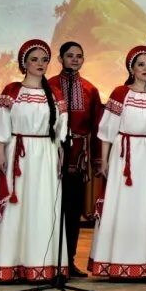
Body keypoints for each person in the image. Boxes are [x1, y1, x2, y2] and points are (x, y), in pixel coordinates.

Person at [0, 40, 68, 282]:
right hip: (17, 151)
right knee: (14, 206)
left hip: (46, 152)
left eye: (44, 60)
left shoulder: (55, 94)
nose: (40, 64)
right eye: (34, 59)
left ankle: (40, 264)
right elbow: (0, 122)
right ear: (24, 63)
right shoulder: (12, 90)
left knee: (41, 204)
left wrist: (60, 152)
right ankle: (8, 262)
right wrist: (0, 151)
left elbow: (61, 128)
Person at [87, 46, 146, 279]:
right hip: (123, 154)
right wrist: (104, 161)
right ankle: (115, 260)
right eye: (141, 64)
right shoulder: (120, 93)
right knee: (121, 205)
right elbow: (106, 131)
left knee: (144, 207)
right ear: (132, 69)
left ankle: (143, 262)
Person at [48, 41, 102, 277]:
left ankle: (68, 261)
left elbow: (98, 126)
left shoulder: (90, 89)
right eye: (70, 56)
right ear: (60, 59)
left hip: (78, 157)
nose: (75, 60)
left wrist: (98, 159)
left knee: (72, 211)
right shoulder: (48, 85)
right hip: (51, 155)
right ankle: (49, 260)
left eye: (79, 56)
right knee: (50, 209)